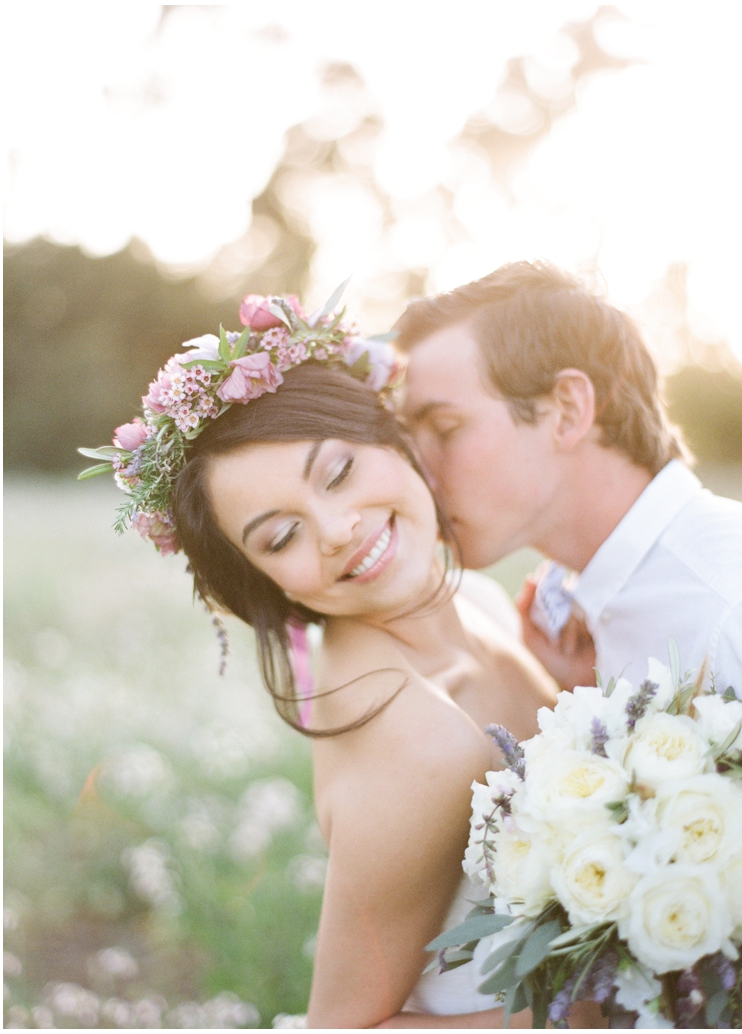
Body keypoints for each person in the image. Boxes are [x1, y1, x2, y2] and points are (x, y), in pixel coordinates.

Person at [82, 293, 604, 1029]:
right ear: (261, 583)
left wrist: (576, 689)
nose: (335, 530)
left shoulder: (480, 603)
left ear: (390, 435)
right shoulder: (412, 738)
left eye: (337, 473)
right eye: (278, 537)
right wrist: (592, 1006)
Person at [397, 261, 742, 706]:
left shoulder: (733, 609)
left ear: (567, 409)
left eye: (445, 430)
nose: (417, 475)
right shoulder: (577, 631)